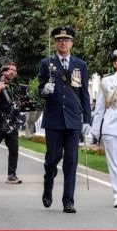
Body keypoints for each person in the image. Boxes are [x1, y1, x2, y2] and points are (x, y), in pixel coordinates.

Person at [38, 26, 92, 213]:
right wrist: (44, 90)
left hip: (73, 119)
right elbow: (40, 89)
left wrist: (87, 120)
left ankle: (68, 200)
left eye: (67, 40)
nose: (63, 42)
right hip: (53, 118)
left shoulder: (80, 65)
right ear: (55, 42)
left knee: (71, 161)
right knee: (52, 159)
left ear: (72, 43)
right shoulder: (47, 63)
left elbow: (83, 93)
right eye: (60, 39)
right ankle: (48, 185)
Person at [91, 48, 117, 207]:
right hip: (112, 124)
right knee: (115, 163)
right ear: (115, 63)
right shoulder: (107, 81)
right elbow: (100, 107)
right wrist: (95, 130)